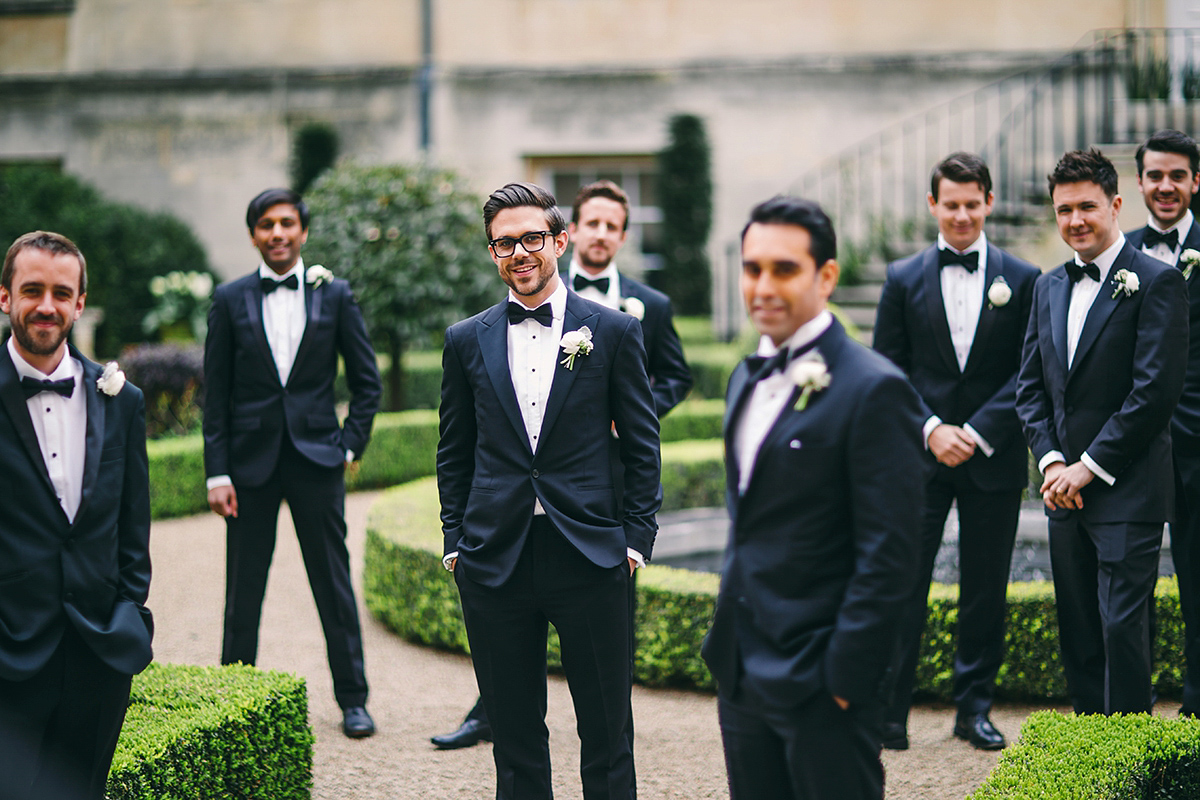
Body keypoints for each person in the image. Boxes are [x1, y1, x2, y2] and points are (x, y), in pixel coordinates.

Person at [432, 178, 692, 751]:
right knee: (515, 738)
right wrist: (456, 542)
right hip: (495, 557)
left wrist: (634, 540)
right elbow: (454, 451)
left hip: (591, 555)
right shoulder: (464, 341)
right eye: (504, 243)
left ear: (560, 240)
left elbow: (643, 444)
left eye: (532, 238)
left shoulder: (617, 332)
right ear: (493, 252)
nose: (519, 252)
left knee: (606, 733)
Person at [702, 196, 925, 800]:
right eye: (752, 269)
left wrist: (845, 678)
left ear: (825, 276)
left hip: (823, 680)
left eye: (783, 269)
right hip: (742, 668)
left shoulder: (875, 389)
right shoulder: (745, 376)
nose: (762, 286)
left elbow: (892, 555)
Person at [872, 152, 1040, 751]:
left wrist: (977, 430)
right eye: (952, 204)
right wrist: (932, 428)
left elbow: (1031, 368)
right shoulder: (901, 277)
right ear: (933, 205)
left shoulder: (1024, 280)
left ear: (989, 202)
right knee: (902, 583)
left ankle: (974, 709)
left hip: (991, 457)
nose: (962, 215)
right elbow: (886, 372)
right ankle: (890, 712)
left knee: (984, 587)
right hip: (918, 458)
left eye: (973, 204)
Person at [203, 188, 382, 738]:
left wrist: (349, 446)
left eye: (286, 223)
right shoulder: (229, 299)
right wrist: (218, 471)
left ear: (303, 232)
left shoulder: (337, 294)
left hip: (316, 462)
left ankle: (353, 699)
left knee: (332, 583)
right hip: (249, 468)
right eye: (265, 224)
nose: (277, 233)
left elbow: (367, 383)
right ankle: (235, 702)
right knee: (243, 589)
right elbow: (217, 394)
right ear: (253, 234)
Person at [1016, 148, 1188, 715]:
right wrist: (1050, 465)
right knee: (1081, 636)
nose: (1075, 221)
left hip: (1127, 489)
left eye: (1087, 206)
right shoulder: (1046, 287)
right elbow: (1030, 390)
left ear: (1116, 204)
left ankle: (1129, 757)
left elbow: (1153, 395)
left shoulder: (1157, 282)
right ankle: (1092, 753)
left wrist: (1085, 467)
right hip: (1062, 494)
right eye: (1064, 210)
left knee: (1122, 632)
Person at [0, 231, 153, 800]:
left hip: (98, 649)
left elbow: (134, 521)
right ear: (4, 297)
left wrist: (129, 611)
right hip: (9, 649)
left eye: (61, 293)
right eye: (32, 290)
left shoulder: (122, 399)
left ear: (80, 303)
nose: (46, 306)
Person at [1126, 130, 1200, 717]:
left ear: (1196, 181)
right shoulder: (1119, 255)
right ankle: (1132, 706)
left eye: (1177, 175)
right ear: (1141, 183)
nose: (1166, 186)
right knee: (1128, 586)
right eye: (1155, 176)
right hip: (1133, 449)